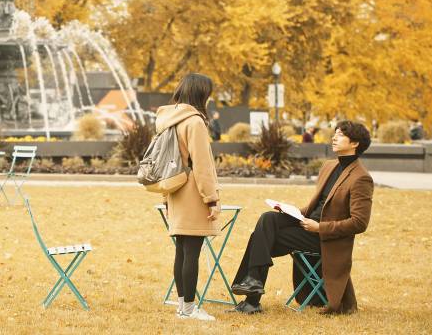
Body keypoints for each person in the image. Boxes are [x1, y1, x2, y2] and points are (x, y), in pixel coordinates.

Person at [227, 120, 373, 315]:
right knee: (268, 218)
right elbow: (319, 205)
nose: (334, 137)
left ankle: (252, 299)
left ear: (354, 143)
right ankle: (253, 284)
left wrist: (319, 227)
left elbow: (359, 222)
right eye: (335, 133)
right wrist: (291, 211)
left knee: (260, 238)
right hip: (307, 224)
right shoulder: (329, 166)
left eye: (340, 135)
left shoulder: (361, 178)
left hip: (325, 239)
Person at [156, 73, 221, 321]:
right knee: (192, 251)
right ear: (201, 94)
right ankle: (190, 309)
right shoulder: (194, 122)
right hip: (193, 191)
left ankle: (183, 306)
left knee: (182, 251)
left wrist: (165, 197)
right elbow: (202, 165)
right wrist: (211, 199)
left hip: (174, 189)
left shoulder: (168, 120)